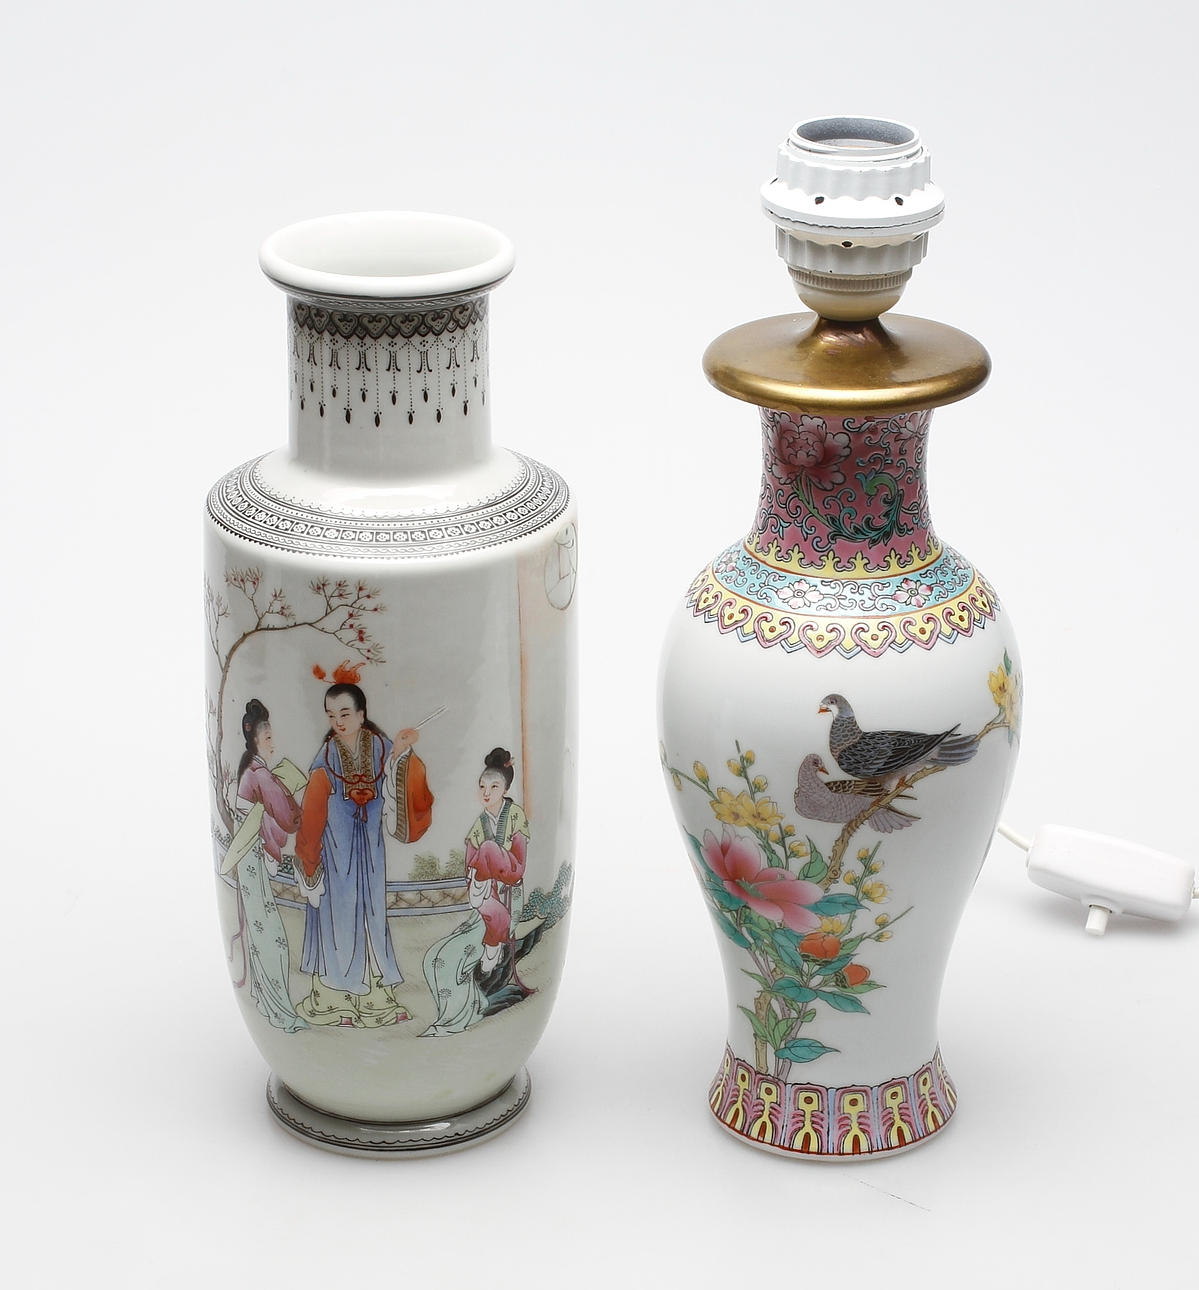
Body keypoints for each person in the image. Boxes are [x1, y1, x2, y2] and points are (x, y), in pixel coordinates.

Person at [294, 669, 434, 1027]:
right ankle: (335, 1000)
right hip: (335, 855)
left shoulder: (381, 748)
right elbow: (312, 815)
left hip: (370, 854)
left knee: (372, 914)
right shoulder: (326, 760)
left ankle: (376, 1000)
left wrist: (403, 752)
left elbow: (401, 780)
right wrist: (309, 862)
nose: (338, 722)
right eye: (331, 715)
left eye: (345, 713)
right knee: (338, 916)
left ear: (361, 714)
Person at [421, 748, 532, 1036]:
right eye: (482, 786)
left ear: (505, 789)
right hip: (484, 900)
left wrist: (487, 870)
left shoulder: (515, 816)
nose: (486, 792)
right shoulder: (479, 825)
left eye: (494, 786)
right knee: (437, 957)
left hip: (507, 893)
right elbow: (468, 863)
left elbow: (518, 866)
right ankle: (449, 1017)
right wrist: (479, 879)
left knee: (489, 849)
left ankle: (492, 944)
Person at [224, 699, 308, 1033]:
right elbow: (287, 819)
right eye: (269, 737)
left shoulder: (253, 772)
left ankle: (266, 1001)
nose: (273, 743)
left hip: (249, 858)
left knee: (262, 927)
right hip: (253, 857)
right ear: (256, 739)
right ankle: (280, 1010)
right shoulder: (260, 775)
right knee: (270, 934)